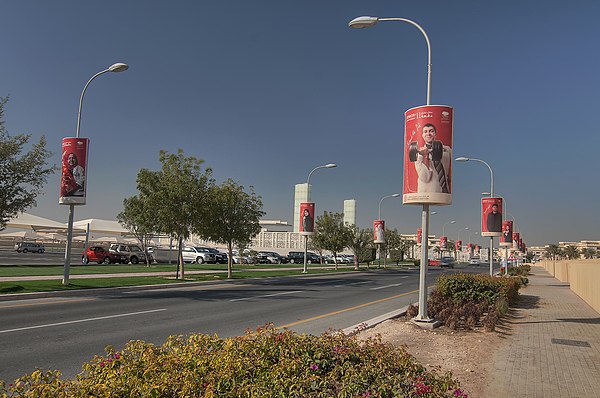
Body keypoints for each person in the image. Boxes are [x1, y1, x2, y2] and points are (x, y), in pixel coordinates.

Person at [414, 123, 451, 193]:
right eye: (425, 131)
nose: (428, 134)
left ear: (435, 134)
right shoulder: (419, 155)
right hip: (427, 193)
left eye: (431, 131)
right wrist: (425, 156)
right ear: (422, 135)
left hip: (445, 192)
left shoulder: (447, 150)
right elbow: (425, 178)